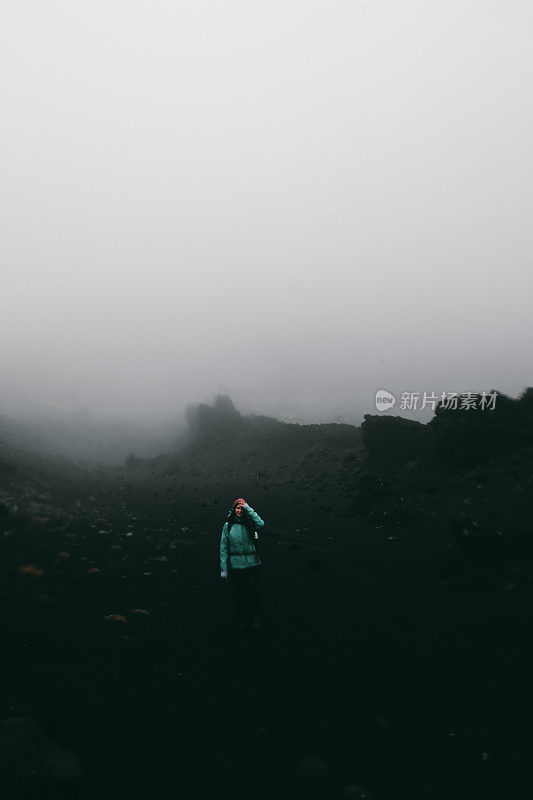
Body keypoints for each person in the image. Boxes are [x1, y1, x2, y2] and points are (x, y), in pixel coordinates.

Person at [220, 498, 264, 631]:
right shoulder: (228, 526)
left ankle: (254, 618)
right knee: (239, 595)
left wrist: (248, 507)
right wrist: (224, 570)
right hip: (236, 566)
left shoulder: (249, 524)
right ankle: (242, 620)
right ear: (234, 510)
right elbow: (223, 548)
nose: (239, 511)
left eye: (242, 509)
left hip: (251, 565)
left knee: (252, 593)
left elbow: (261, 523)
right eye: (237, 508)